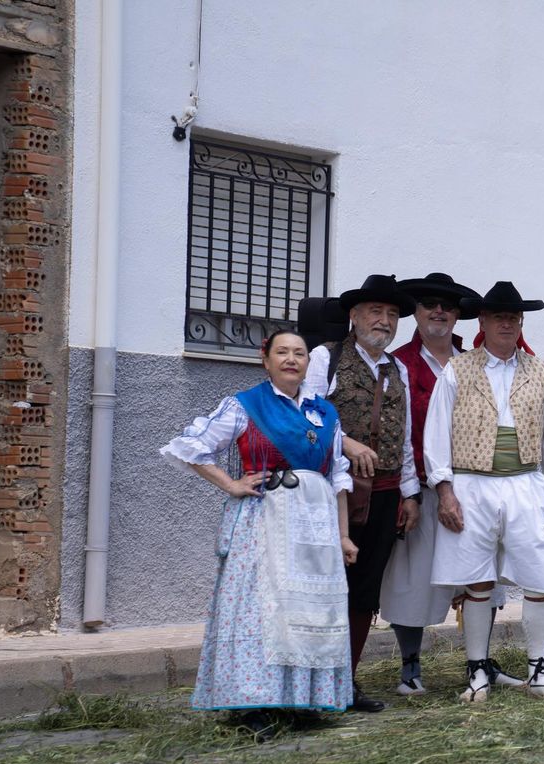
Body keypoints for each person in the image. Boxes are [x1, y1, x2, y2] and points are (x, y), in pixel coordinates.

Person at [162, 329, 356, 728]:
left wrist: (342, 534)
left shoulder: (325, 413)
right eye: (282, 352)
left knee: (309, 610)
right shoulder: (246, 405)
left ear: (308, 362)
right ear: (265, 359)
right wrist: (231, 484)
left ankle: (300, 701)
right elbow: (191, 445)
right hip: (266, 521)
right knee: (261, 610)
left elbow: (338, 477)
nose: (291, 359)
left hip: (315, 527)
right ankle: (253, 704)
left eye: (299, 353)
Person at [425, 281, 544, 702]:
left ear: (520, 322)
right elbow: (436, 433)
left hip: (526, 482)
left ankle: (538, 671)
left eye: (514, 317)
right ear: (484, 321)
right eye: (499, 316)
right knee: (477, 579)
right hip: (472, 483)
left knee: (539, 576)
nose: (507, 323)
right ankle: (477, 671)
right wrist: (445, 490)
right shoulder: (458, 369)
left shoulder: (540, 370)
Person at [303, 274, 421, 712]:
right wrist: (346, 442)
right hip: (335, 491)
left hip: (387, 492)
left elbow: (405, 435)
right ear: (354, 316)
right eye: (376, 312)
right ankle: (312, 684)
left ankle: (344, 684)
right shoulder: (325, 358)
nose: (385, 321)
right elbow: (306, 415)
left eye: (392, 315)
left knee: (365, 590)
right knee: (327, 587)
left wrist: (410, 493)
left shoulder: (399, 368)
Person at [381, 272, 480, 696]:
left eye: (447, 305)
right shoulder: (398, 363)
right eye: (429, 305)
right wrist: (408, 493)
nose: (438, 311)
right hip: (421, 486)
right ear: (417, 314)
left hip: (476, 487)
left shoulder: (475, 361)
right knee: (412, 578)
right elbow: (398, 432)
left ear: (457, 316)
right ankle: (410, 666)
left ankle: (481, 663)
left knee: (480, 579)